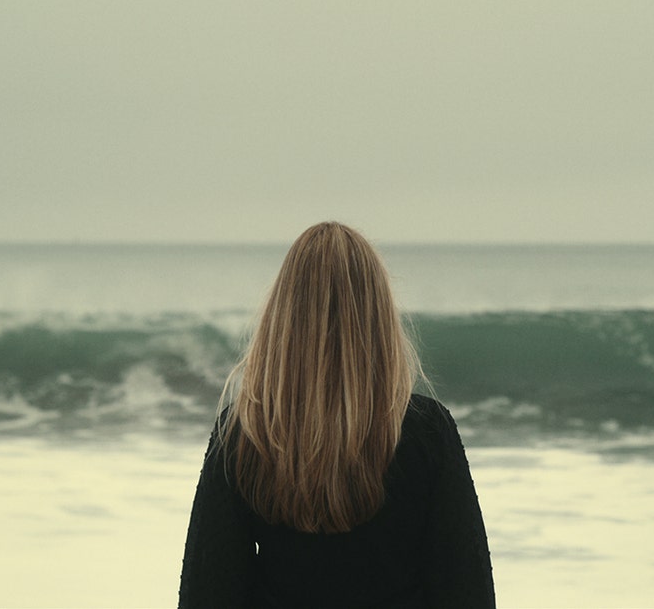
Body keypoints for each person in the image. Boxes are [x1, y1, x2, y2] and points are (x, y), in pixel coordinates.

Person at [178, 222, 495, 609]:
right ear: (379, 318)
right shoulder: (426, 431)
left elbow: (206, 593)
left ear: (284, 316)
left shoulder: (246, 433)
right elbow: (468, 591)